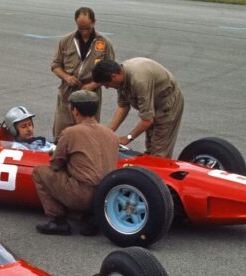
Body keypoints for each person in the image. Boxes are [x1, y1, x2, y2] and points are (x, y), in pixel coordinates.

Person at [32, 90, 119, 235]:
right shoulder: (112, 135)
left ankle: (58, 221)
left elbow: (56, 164)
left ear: (75, 111)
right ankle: (87, 217)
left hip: (83, 195)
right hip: (105, 195)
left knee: (40, 172)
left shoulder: (70, 132)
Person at [93, 58, 184, 158]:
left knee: (158, 153)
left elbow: (147, 120)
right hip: (153, 102)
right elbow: (123, 106)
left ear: (114, 77)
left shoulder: (139, 81)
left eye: (106, 84)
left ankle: (157, 170)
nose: (107, 87)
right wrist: (108, 133)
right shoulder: (121, 76)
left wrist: (128, 138)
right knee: (150, 148)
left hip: (167, 105)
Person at [51, 7, 115, 141]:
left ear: (94, 22)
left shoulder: (104, 43)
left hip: (90, 96)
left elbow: (111, 71)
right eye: (81, 29)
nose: (84, 32)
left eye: (87, 28)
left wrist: (94, 84)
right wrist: (66, 77)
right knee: (62, 136)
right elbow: (55, 65)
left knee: (88, 137)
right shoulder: (66, 41)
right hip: (67, 94)